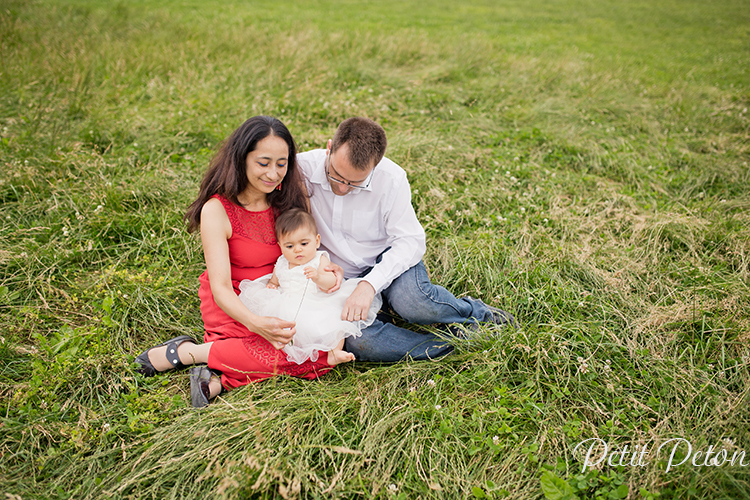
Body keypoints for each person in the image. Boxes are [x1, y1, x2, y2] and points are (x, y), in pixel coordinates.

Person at [135, 116, 342, 408]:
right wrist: (256, 323)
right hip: (232, 300)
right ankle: (187, 354)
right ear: (241, 159)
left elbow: (309, 247)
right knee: (298, 358)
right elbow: (220, 287)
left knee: (314, 349)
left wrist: (331, 268)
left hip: (281, 293)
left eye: (281, 164)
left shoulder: (291, 199)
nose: (273, 174)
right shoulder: (217, 209)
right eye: (263, 163)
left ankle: (213, 373)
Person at [296, 117, 515, 362]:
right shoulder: (301, 168)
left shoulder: (391, 178)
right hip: (336, 277)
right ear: (329, 147)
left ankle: (477, 313)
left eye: (355, 182)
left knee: (415, 303)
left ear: (375, 167)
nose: (344, 188)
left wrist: (369, 285)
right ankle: (452, 342)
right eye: (336, 175)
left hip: (385, 261)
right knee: (361, 342)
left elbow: (410, 240)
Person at [238, 208, 381, 365]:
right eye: (289, 246)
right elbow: (275, 280)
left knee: (337, 323)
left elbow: (331, 283)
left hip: (319, 300)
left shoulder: (319, 259)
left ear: (317, 241)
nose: (298, 249)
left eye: (304, 243)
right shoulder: (281, 263)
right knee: (287, 326)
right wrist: (271, 285)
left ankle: (335, 351)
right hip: (290, 303)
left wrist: (318, 277)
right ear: (280, 246)